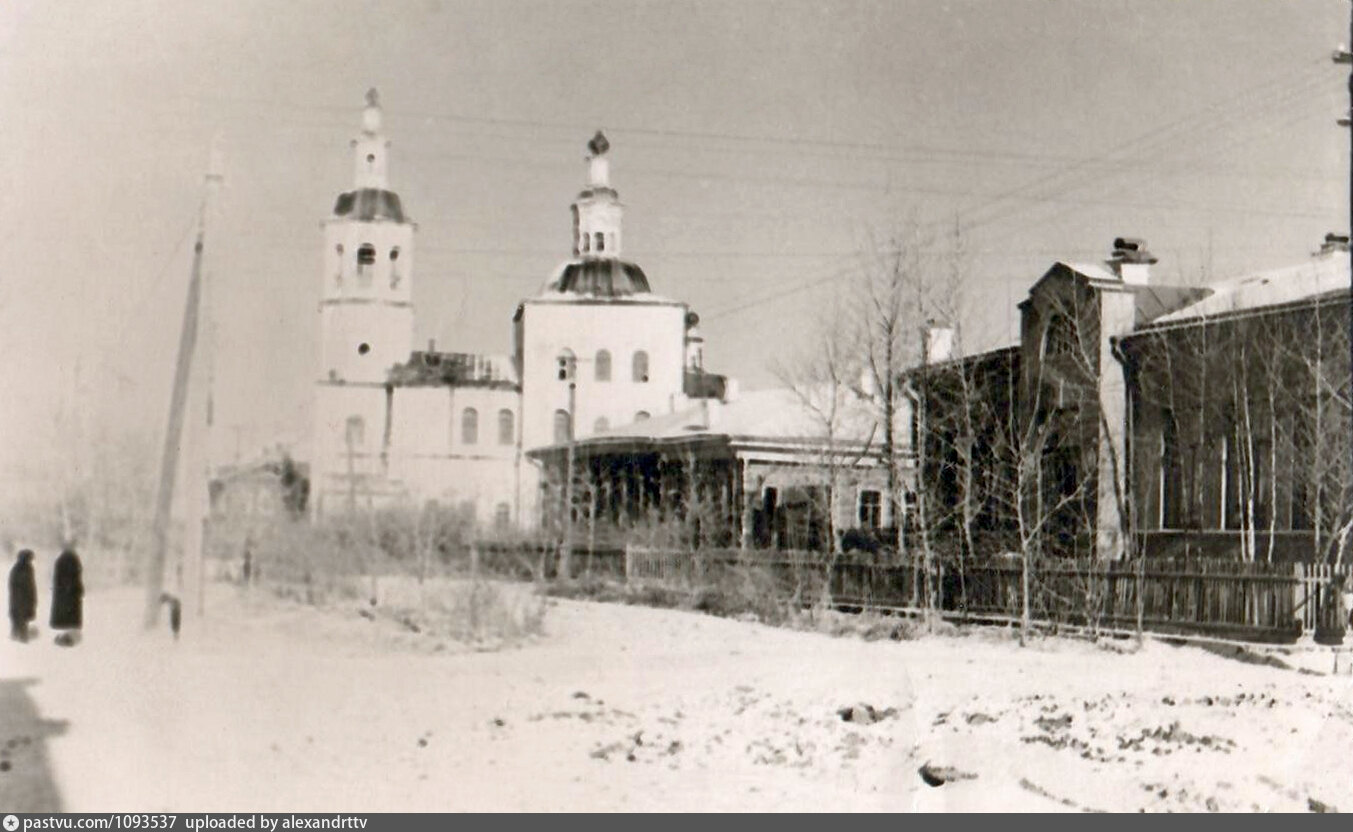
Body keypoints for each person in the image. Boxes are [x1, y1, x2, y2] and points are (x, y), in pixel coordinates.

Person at [49, 549, 84, 647]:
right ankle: (66, 639)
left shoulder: (60, 561)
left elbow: (58, 579)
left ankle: (63, 638)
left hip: (62, 595)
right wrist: (78, 590)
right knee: (70, 619)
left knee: (64, 619)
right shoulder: (73, 560)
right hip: (71, 595)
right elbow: (76, 578)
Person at [8, 550, 37, 642]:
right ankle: (21, 638)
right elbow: (28, 585)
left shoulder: (18, 568)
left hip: (18, 598)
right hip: (22, 598)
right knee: (21, 618)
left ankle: (17, 636)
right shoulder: (24, 569)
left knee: (19, 618)